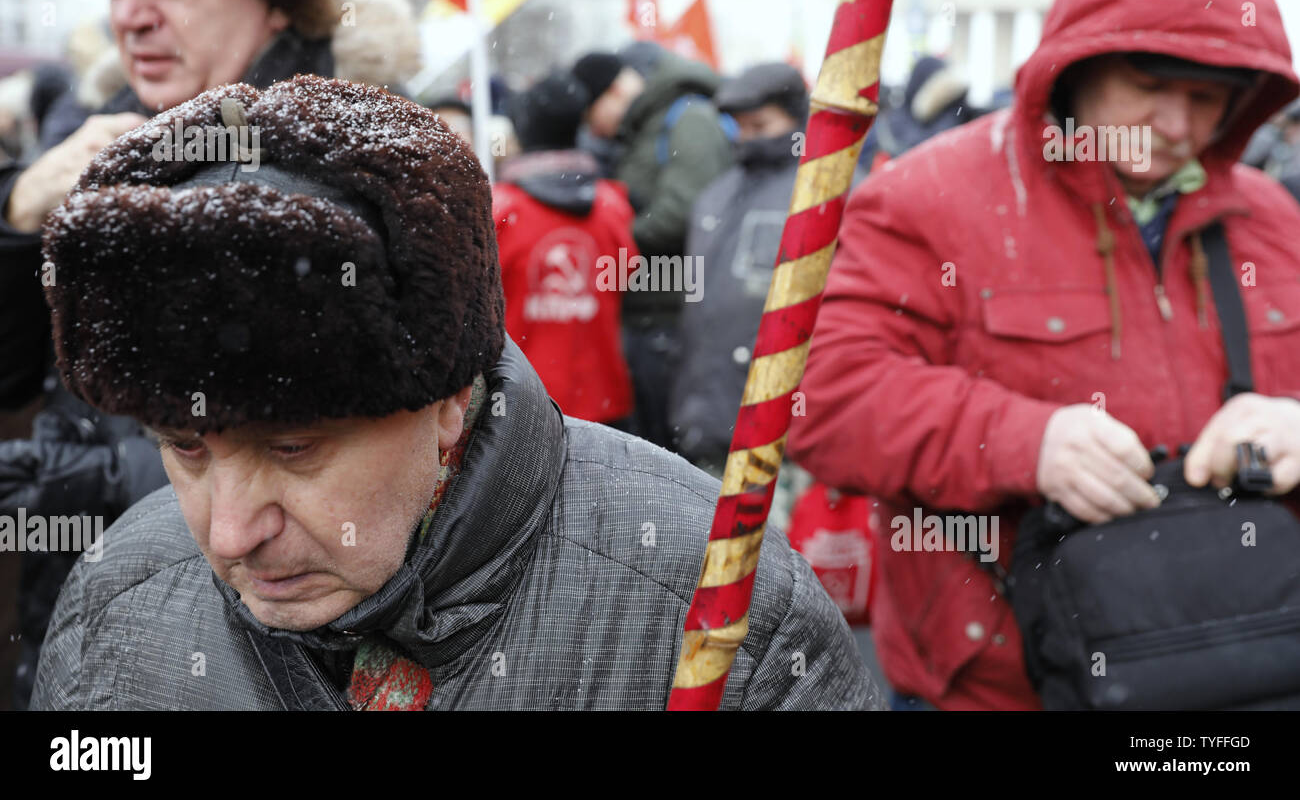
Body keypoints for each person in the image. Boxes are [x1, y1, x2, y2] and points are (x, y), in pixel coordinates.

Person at [30, 75, 878, 711]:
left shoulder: (729, 614)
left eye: (293, 448)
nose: (230, 532)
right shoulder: (115, 607)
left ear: (446, 401)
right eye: (185, 448)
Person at [787, 0, 1300, 710]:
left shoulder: (1276, 219)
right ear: (1076, 65)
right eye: (1152, 84)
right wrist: (1025, 443)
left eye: (1207, 97)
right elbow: (818, 397)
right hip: (997, 687)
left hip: (1246, 667)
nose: (1177, 125)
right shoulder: (927, 200)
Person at [0, 0, 340, 708]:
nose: (131, 15)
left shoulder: (352, 167)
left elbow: (337, 471)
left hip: (265, 657)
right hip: (78, 630)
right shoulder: (95, 146)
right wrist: (17, 225)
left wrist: (69, 483)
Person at [572, 49, 733, 450]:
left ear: (611, 93)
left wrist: (612, 239)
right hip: (653, 313)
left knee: (674, 450)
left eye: (594, 117)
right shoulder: (650, 125)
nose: (598, 131)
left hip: (674, 316)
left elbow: (683, 212)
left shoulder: (686, 118)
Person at [669, 64, 810, 488]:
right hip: (710, 420)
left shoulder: (823, 194)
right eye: (740, 127)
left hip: (785, 437)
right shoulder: (716, 194)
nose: (748, 138)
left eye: (761, 125)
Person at [493, 71, 637, 426]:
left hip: (521, 404)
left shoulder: (500, 209)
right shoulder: (612, 206)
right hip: (603, 403)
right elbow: (626, 283)